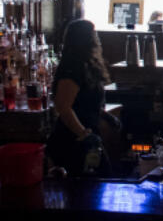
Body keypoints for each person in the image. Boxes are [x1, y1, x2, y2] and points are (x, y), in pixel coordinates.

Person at [48, 19, 118, 176]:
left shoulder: (87, 65)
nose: (97, 38)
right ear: (85, 39)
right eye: (93, 34)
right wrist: (83, 134)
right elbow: (63, 107)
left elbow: (86, 102)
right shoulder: (72, 67)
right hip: (72, 140)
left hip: (87, 137)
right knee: (84, 190)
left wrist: (105, 116)